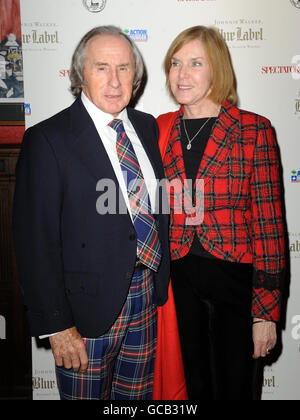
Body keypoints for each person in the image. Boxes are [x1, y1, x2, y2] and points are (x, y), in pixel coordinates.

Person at [13, 25, 170, 400]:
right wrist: (57, 325)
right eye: (101, 68)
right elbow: (35, 242)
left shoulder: (146, 127)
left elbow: (156, 206)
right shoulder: (48, 139)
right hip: (83, 314)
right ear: (81, 74)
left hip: (145, 298)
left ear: (137, 74)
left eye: (124, 68)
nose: (115, 81)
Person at [156, 25, 285, 400]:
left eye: (196, 63)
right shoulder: (161, 130)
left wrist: (265, 313)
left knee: (235, 386)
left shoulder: (253, 130)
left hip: (235, 281)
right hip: (179, 280)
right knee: (192, 388)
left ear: (217, 70)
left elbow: (269, 226)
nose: (182, 74)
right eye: (176, 63)